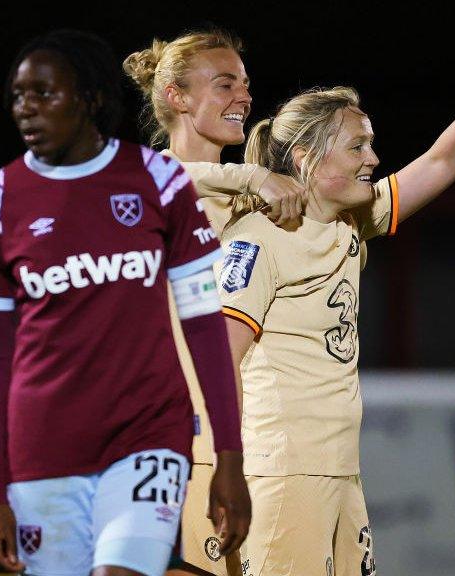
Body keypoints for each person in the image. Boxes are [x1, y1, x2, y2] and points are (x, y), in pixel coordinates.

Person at [201, 14, 455, 575]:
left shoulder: (352, 221)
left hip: (340, 469)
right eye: (357, 146)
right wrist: (228, 466)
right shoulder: (260, 237)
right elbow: (220, 357)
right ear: (306, 157)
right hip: (284, 471)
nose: (372, 159)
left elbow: (442, 161)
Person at [0, 29, 249, 576]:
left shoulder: (158, 182)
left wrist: (228, 456)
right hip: (42, 448)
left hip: (147, 436)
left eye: (45, 94)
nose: (27, 110)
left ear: (90, 97)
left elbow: (204, 326)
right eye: (19, 97)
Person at [124, 29, 306, 576]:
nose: (244, 98)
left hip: (238, 439)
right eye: (225, 84)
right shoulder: (140, 189)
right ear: (178, 97)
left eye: (246, 85)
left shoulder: (256, 205)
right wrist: (249, 175)